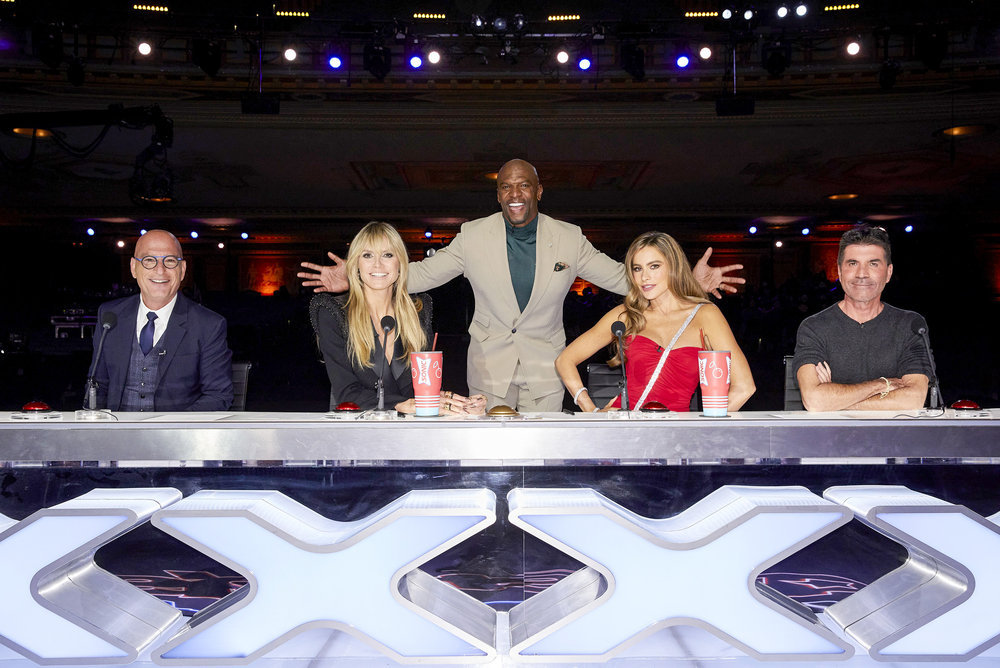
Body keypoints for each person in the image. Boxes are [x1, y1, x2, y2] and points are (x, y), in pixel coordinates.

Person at [299, 159, 744, 412]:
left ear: (538, 190)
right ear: (498, 195)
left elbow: (621, 276)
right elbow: (421, 273)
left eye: (524, 185)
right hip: (487, 369)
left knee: (540, 465)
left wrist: (684, 282)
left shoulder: (569, 238)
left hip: (546, 370)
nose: (515, 192)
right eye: (507, 186)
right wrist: (360, 274)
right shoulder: (473, 234)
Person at [555, 232, 755, 412]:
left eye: (654, 266)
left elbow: (744, 387)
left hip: (676, 438)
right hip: (624, 431)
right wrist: (591, 411)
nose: (644, 277)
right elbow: (565, 360)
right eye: (637, 268)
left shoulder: (705, 315)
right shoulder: (625, 315)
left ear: (673, 267)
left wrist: (702, 431)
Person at [309, 221, 486, 415]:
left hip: (408, 431)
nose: (377, 264)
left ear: (400, 263)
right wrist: (402, 405)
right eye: (367, 255)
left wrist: (453, 402)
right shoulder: (334, 313)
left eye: (387, 255)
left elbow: (419, 388)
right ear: (356, 264)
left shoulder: (418, 312)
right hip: (357, 429)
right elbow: (347, 392)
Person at [90, 229, 233, 411]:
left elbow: (218, 396)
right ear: (134, 268)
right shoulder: (110, 316)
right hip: (115, 434)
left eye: (170, 261)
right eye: (149, 261)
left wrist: (172, 431)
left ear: (182, 270)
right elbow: (97, 387)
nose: (160, 270)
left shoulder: (209, 325)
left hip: (177, 436)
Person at [792, 224, 931, 411]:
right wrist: (882, 385)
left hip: (894, 438)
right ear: (840, 272)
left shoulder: (911, 325)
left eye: (873, 264)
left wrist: (836, 402)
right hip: (830, 438)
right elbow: (815, 400)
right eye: (853, 263)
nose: (862, 274)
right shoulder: (814, 327)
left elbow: (913, 400)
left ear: (888, 273)